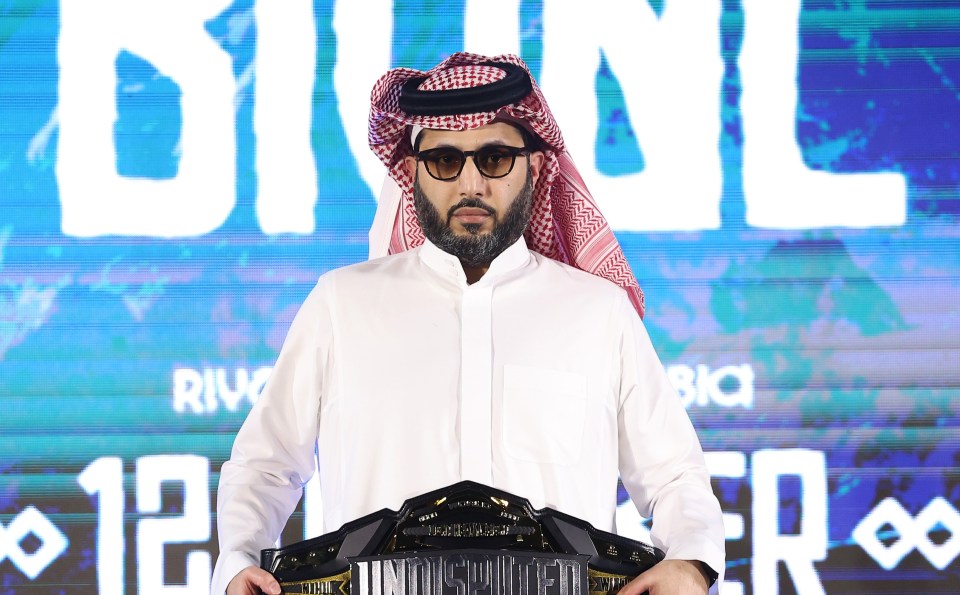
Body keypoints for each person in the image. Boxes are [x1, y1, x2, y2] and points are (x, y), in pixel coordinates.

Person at [211, 52, 725, 595]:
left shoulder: (598, 313)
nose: (471, 183)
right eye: (445, 160)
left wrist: (691, 563)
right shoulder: (342, 304)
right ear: (411, 172)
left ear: (535, 165)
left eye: (497, 157)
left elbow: (674, 476)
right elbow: (265, 465)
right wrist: (238, 560)